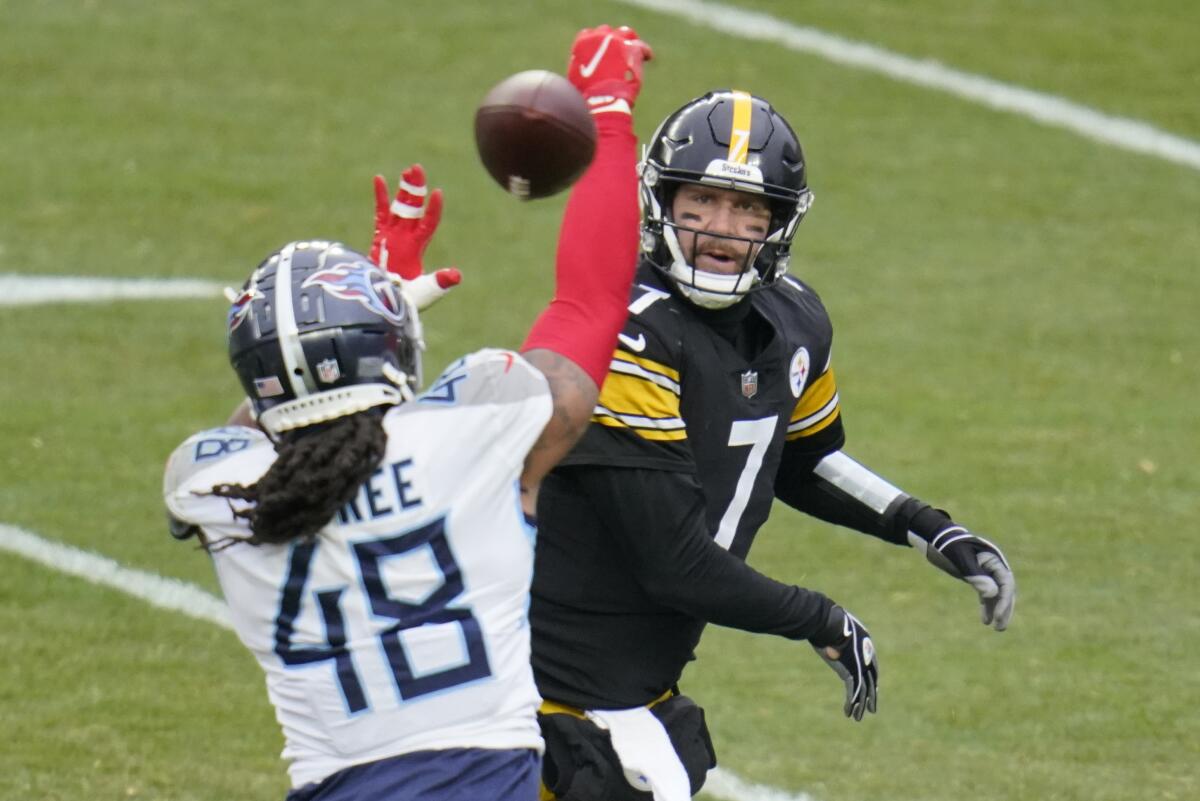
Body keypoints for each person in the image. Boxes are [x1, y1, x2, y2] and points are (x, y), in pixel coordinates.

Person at [161, 26, 652, 801]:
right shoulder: (476, 429)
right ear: (386, 344)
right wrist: (607, 111)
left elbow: (279, 426)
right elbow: (587, 303)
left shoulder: (217, 480)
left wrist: (345, 334)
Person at [528, 87, 1017, 799]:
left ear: (780, 220)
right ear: (661, 202)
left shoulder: (794, 318)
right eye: (700, 201)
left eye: (749, 208)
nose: (722, 228)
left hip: (631, 676)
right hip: (540, 683)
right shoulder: (630, 334)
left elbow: (801, 455)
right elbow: (675, 562)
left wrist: (926, 527)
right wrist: (819, 617)